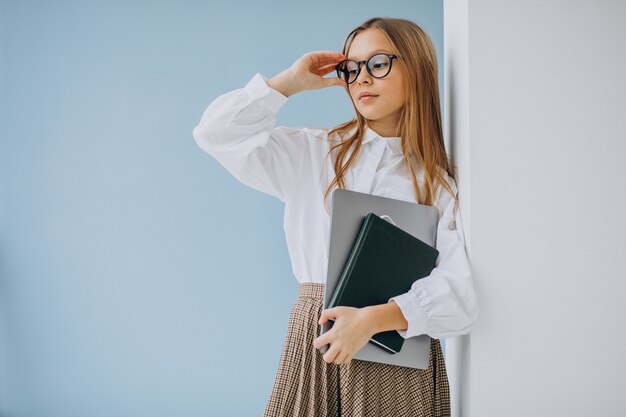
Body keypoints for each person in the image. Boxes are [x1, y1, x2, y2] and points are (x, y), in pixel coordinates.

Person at [192, 16, 478, 417]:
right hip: (318, 342)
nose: (362, 78)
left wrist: (373, 320)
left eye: (378, 63)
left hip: (399, 362)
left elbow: (460, 296)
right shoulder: (313, 153)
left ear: (416, 67)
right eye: (352, 68)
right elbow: (215, 134)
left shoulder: (436, 184)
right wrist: (288, 83)